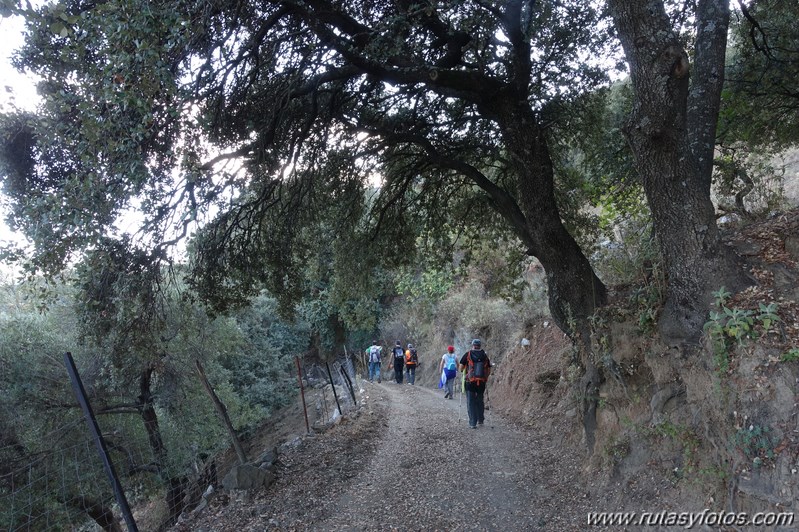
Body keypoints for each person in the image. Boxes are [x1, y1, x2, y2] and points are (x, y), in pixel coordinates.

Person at [459, 339, 491, 429]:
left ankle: (473, 423)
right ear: (480, 346)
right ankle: (480, 419)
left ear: (473, 345)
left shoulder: (468, 354)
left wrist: (464, 371)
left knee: (471, 401)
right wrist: (486, 378)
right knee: (480, 400)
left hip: (470, 382)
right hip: (481, 382)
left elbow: (461, 368)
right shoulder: (484, 355)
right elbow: (488, 369)